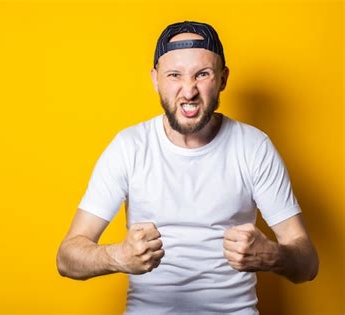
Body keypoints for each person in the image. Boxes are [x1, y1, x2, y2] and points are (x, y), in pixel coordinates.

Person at [56, 21, 319, 314]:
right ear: (156, 79)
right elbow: (67, 259)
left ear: (223, 79)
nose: (188, 91)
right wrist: (117, 256)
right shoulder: (129, 147)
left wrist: (271, 255)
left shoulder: (253, 147)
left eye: (202, 74)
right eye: (174, 75)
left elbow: (307, 264)